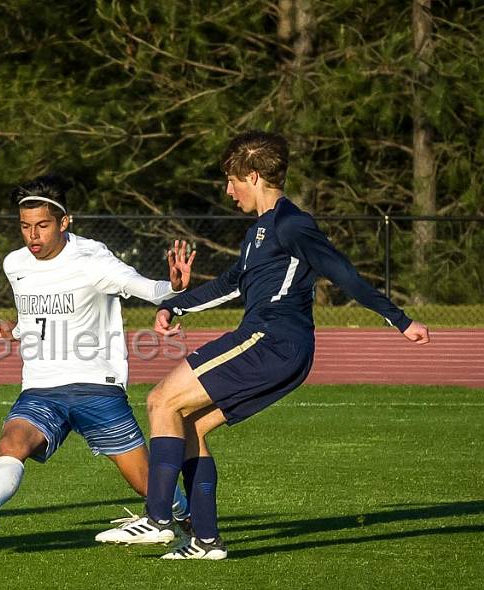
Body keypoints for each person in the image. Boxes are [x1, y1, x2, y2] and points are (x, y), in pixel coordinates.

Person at [124, 130, 430, 560]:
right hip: (276, 346)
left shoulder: (292, 223)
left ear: (253, 176)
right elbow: (233, 285)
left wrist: (399, 320)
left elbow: (343, 274)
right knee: (189, 424)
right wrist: (176, 306)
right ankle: (206, 541)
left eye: (232, 180)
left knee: (161, 400)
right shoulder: (260, 232)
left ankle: (157, 519)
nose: (228, 191)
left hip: (271, 341)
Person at [0, 174, 196, 542]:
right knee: (11, 443)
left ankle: (190, 519)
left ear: (64, 222)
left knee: (147, 483)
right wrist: (17, 330)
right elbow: (36, 313)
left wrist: (174, 288)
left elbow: (147, 288)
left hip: (95, 387)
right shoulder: (15, 264)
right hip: (41, 387)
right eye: (25, 226)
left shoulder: (93, 261)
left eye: (42, 226)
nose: (33, 236)